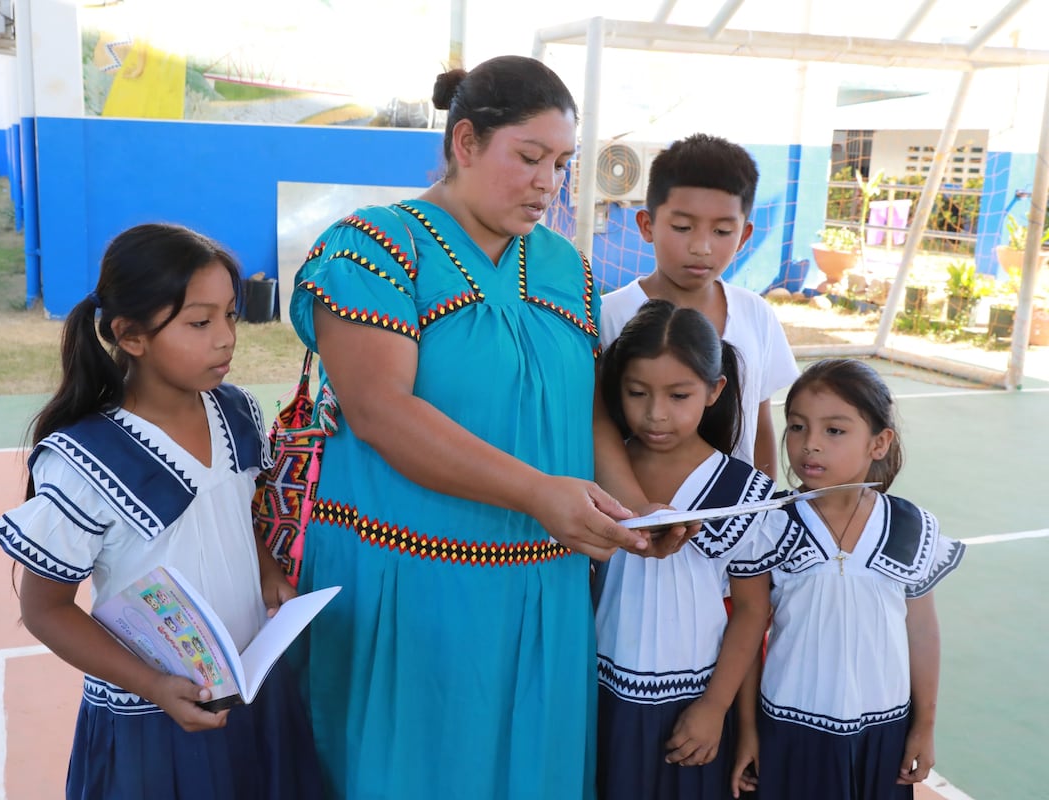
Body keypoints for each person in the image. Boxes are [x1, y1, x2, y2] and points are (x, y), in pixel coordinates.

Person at [288, 55, 685, 799]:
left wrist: (634, 504)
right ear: (465, 142)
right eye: (529, 158)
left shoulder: (568, 266)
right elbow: (381, 414)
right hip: (412, 585)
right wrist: (539, 493)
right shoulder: (372, 247)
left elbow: (585, 408)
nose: (548, 183)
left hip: (544, 585)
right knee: (410, 774)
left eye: (562, 164)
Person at [0, 223, 322, 800]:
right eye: (200, 322)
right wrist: (153, 684)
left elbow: (237, 518)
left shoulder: (237, 410)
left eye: (230, 317)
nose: (225, 339)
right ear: (131, 335)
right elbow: (46, 611)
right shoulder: (83, 457)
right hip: (153, 720)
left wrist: (266, 569)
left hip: (251, 693)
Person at [747, 358, 965, 799]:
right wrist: (747, 731)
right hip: (789, 727)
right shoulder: (768, 525)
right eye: (796, 427)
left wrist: (923, 727)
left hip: (883, 732)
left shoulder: (910, 527)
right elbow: (748, 632)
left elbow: (922, 633)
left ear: (879, 443)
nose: (810, 445)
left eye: (834, 430)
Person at [594, 299, 778, 800]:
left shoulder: (742, 492)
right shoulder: (596, 478)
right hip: (600, 694)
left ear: (715, 390)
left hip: (693, 708)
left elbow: (751, 611)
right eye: (636, 393)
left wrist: (714, 709)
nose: (656, 414)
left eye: (679, 395)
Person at [599, 133, 798, 480]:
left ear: (745, 236)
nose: (702, 247)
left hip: (734, 523)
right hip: (636, 520)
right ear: (647, 225)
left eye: (722, 231)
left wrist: (762, 507)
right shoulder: (606, 316)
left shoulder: (757, 314)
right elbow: (596, 428)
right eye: (682, 227)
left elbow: (759, 422)